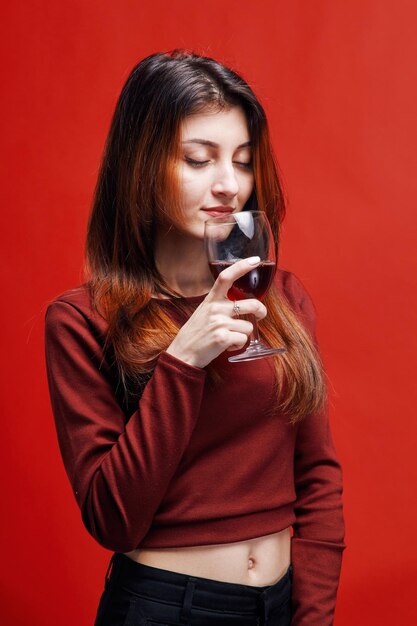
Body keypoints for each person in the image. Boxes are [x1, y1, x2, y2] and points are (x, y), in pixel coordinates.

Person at [44, 50, 346, 626]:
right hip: (164, 608)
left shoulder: (280, 299)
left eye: (243, 160)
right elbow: (112, 519)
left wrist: (312, 616)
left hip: (278, 605)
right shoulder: (83, 320)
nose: (229, 184)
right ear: (140, 165)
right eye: (198, 159)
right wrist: (183, 360)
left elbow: (318, 477)